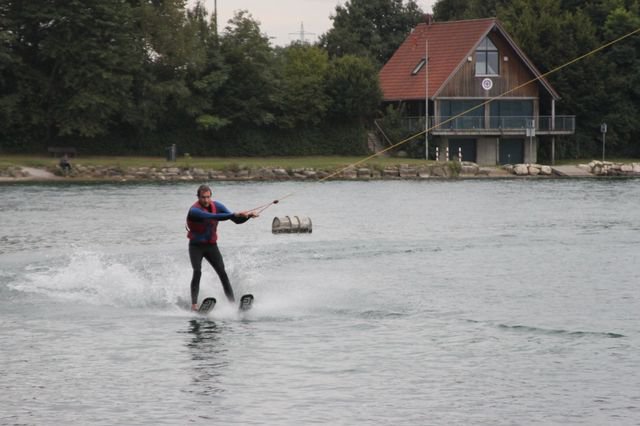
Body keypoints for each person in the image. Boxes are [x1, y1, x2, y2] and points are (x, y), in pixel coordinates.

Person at [186, 184, 258, 311]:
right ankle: (194, 306)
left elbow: (235, 220)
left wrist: (247, 217)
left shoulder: (217, 205)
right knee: (197, 271)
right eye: (203, 197)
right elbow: (213, 217)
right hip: (196, 246)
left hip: (211, 246)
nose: (206, 200)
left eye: (208, 197)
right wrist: (234, 214)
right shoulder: (194, 211)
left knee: (222, 273)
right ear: (198, 197)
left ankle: (232, 305)